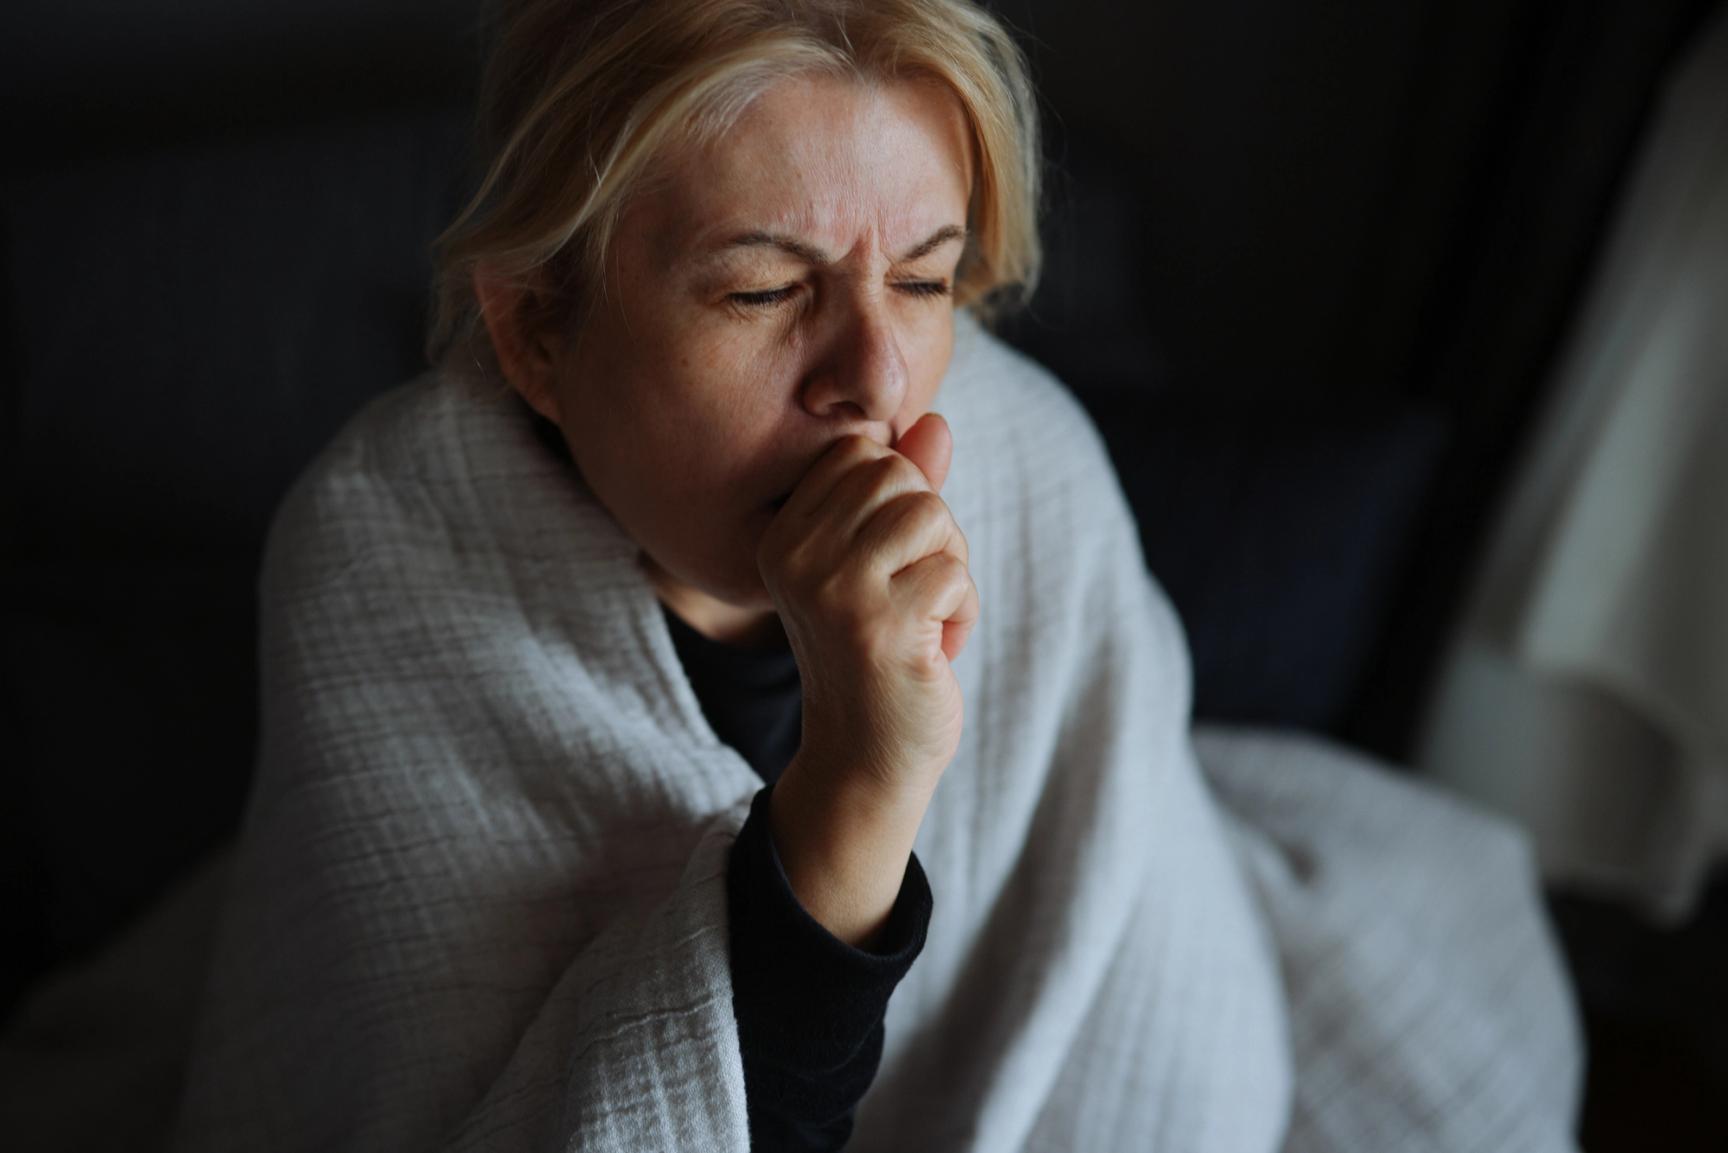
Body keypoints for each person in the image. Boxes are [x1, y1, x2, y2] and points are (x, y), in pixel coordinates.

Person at [171, 2, 1584, 1150]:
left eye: (923, 279)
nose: (873, 378)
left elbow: (1155, 1022)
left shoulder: (1028, 466)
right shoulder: (385, 555)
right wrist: (859, 787)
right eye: (764, 289)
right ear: (539, 328)